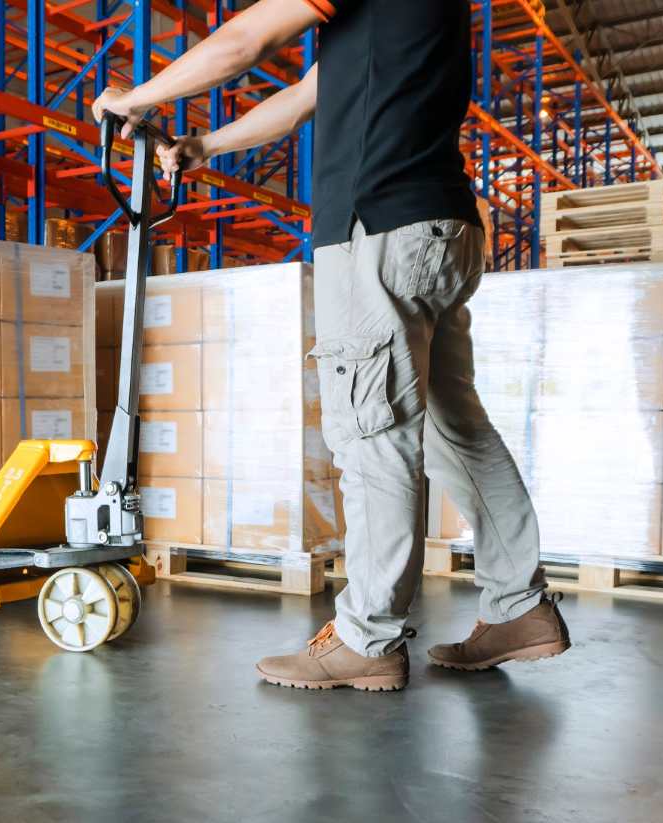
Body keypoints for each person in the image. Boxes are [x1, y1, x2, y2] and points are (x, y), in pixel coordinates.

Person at [93, 0, 569, 692]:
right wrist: (204, 147)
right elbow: (302, 99)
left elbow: (245, 39)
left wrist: (132, 99)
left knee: (373, 435)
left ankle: (365, 637)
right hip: (440, 226)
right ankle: (521, 606)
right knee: (454, 428)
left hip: (376, 228)